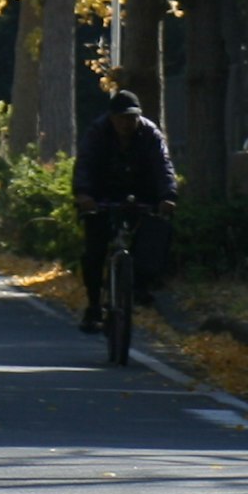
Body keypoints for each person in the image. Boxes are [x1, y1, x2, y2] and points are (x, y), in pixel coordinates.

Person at [71, 88, 178, 332]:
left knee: (154, 236)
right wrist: (84, 194)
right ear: (111, 118)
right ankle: (94, 305)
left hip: (141, 194)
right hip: (102, 195)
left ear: (138, 116)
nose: (126, 123)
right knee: (94, 251)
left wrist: (168, 196)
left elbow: (163, 166)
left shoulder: (151, 134)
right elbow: (85, 163)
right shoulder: (98, 132)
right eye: (121, 118)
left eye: (131, 117)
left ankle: (140, 286)